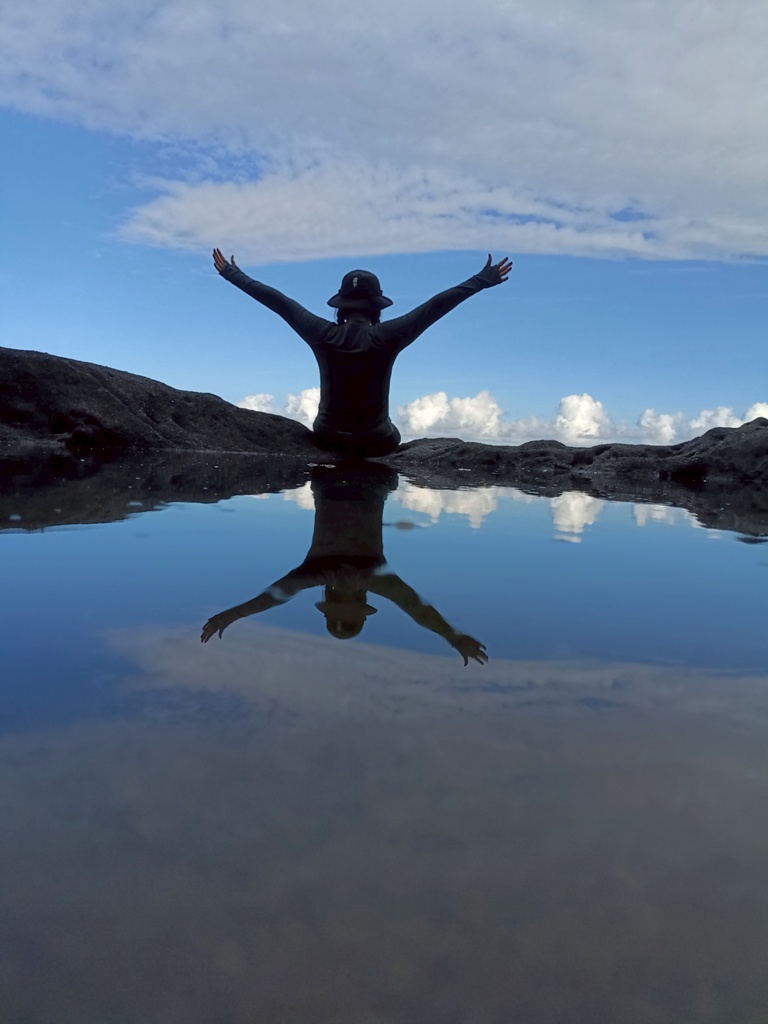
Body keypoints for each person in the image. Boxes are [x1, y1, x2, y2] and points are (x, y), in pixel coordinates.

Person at [213, 248, 512, 457]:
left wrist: (232, 274)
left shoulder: (322, 333)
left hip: (327, 436)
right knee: (391, 432)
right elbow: (435, 307)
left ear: (340, 307)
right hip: (376, 442)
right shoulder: (389, 335)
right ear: (376, 307)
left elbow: (279, 301)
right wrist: (481, 280)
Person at [201, 463, 488, 665]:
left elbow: (271, 598)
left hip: (340, 474)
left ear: (328, 593)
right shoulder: (370, 576)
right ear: (362, 597)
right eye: (349, 598)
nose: (345, 590)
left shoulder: (315, 572)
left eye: (339, 597)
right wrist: (453, 636)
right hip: (368, 474)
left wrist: (229, 616)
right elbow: (415, 608)